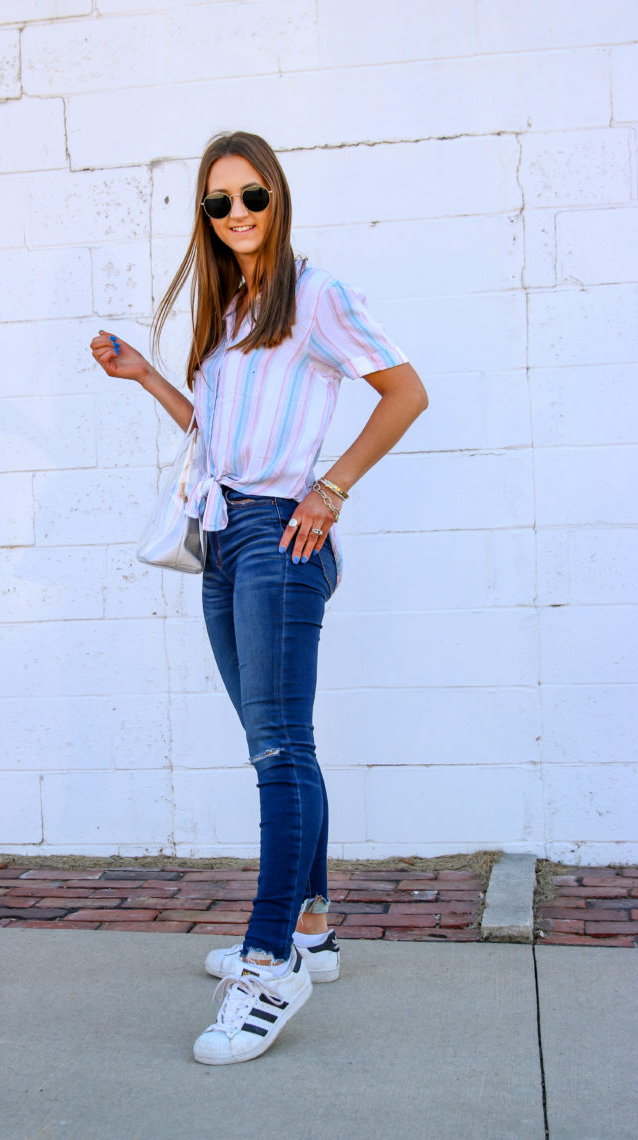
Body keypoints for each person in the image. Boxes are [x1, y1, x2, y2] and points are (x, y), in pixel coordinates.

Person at [90, 130, 428, 1065]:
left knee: (281, 753)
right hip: (226, 542)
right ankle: (312, 926)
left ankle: (271, 962)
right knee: (278, 749)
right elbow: (216, 430)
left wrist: (332, 488)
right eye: (218, 203)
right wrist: (149, 376)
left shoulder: (317, 295)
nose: (236, 214)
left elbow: (405, 393)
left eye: (251, 196)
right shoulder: (234, 307)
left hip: (282, 537)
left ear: (278, 196)